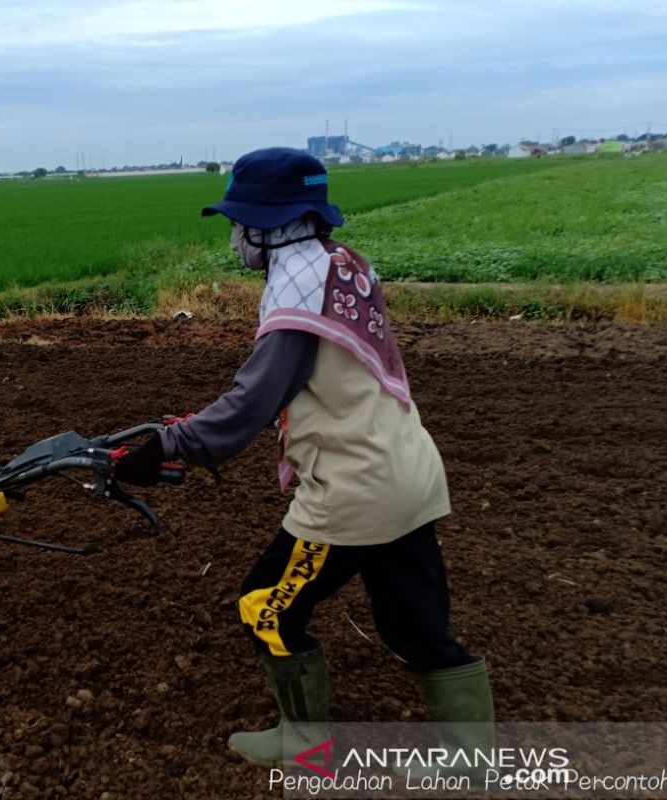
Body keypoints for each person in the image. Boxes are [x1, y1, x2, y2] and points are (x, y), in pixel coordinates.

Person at [114, 147, 493, 767]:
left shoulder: (297, 292)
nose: (235, 236)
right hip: (407, 472)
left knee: (265, 603)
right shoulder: (342, 264)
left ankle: (305, 747)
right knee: (416, 628)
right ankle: (473, 755)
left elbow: (252, 402)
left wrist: (167, 446)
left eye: (240, 223)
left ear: (269, 224)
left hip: (353, 490)